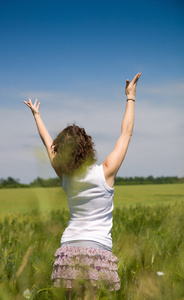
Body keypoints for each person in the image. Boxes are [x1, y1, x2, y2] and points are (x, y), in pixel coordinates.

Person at [23, 73, 141, 298]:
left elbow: (47, 144)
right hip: (97, 247)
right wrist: (130, 98)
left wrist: (37, 116)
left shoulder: (65, 177)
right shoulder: (105, 171)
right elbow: (126, 133)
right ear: (87, 147)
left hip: (69, 246)